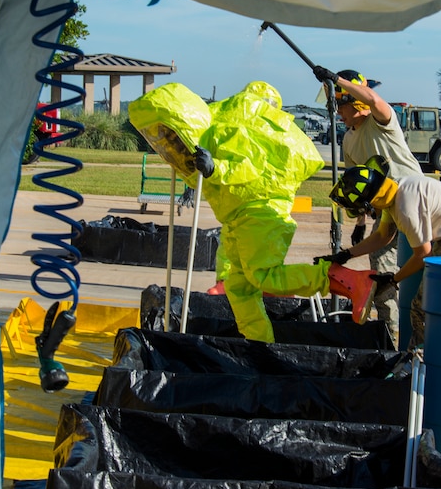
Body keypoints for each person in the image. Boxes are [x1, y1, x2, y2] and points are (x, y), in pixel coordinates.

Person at [129, 81, 378, 343]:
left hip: (260, 211)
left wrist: (216, 169)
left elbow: (255, 167)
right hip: (241, 214)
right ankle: (260, 346)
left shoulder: (247, 124)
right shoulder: (234, 122)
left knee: (265, 276)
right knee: (239, 288)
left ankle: (349, 280)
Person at [315, 155, 441, 353]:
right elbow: (383, 236)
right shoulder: (393, 191)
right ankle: (415, 360)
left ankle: (424, 361)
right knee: (424, 307)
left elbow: (423, 254)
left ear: (370, 205)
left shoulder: (405, 206)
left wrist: (393, 280)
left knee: (429, 306)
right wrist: (346, 255)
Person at [312, 65, 424, 347]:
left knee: (425, 267)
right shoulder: (349, 139)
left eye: (340, 105)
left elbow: (374, 100)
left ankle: (420, 335)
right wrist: (358, 226)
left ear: (355, 103)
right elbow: (356, 188)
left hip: (417, 201)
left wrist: (336, 80)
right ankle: (391, 335)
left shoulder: (381, 122)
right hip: (388, 210)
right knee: (380, 269)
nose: (338, 112)